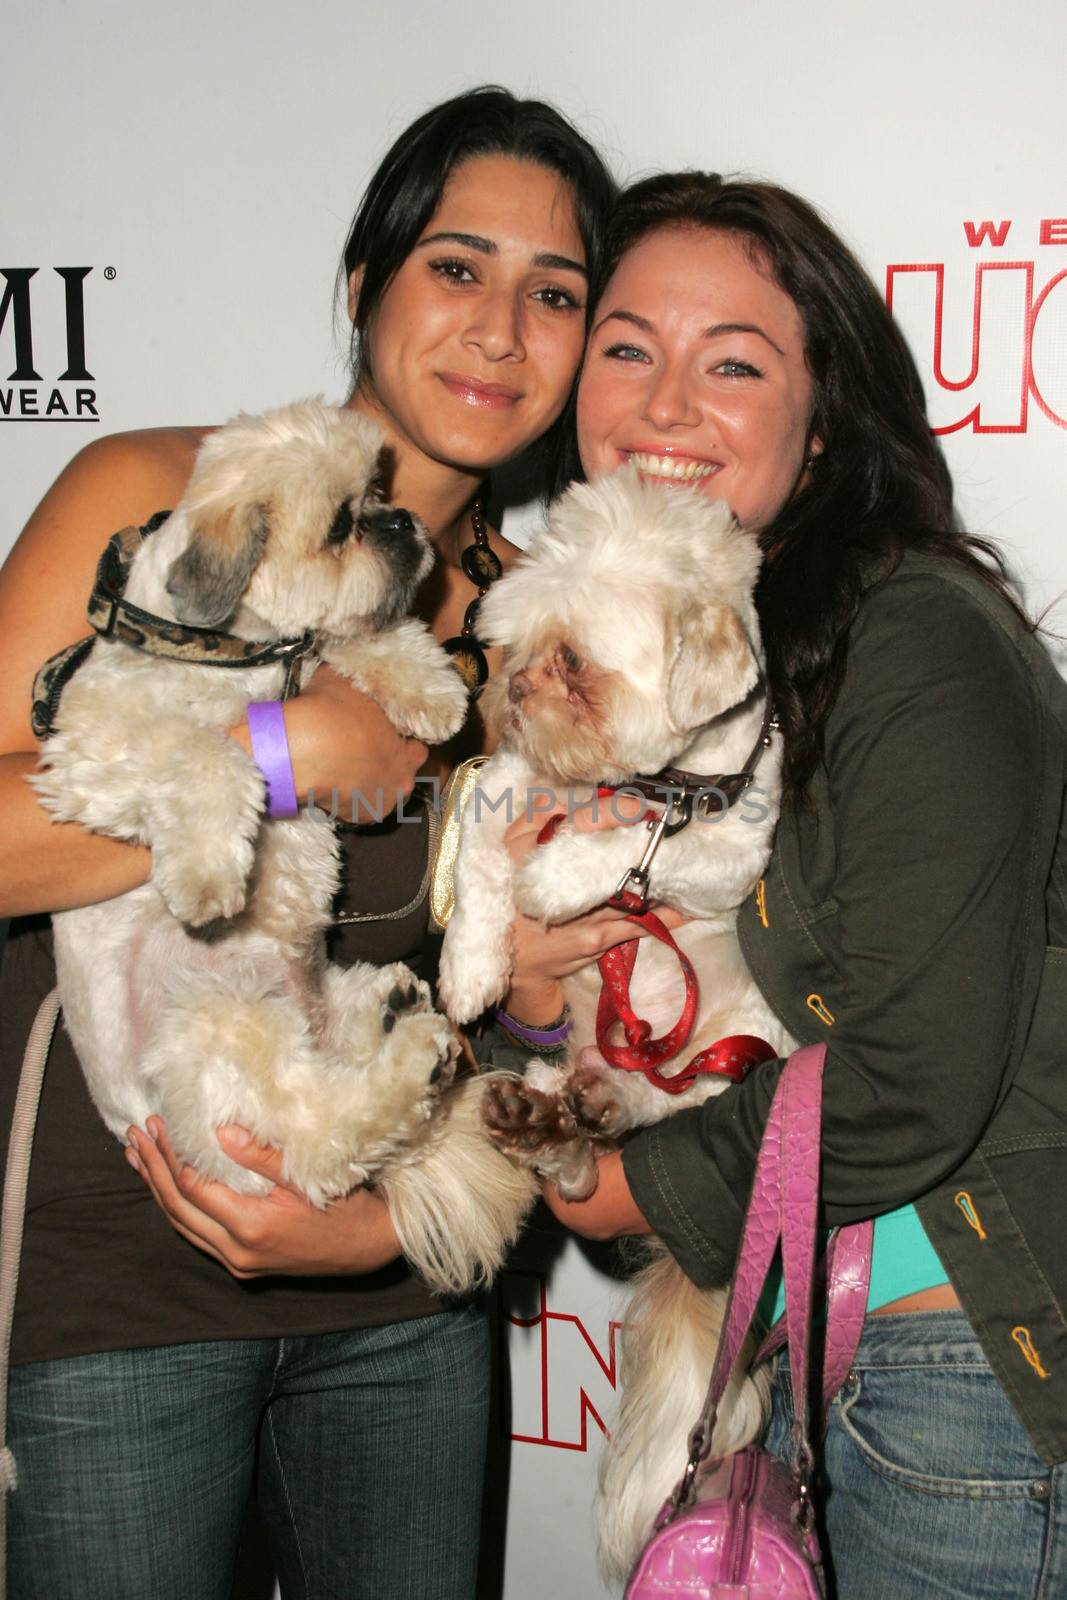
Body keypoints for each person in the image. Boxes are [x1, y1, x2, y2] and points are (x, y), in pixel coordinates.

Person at [0, 87, 619, 1599]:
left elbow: (536, 991)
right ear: (365, 287)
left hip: (398, 1304)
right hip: (121, 1292)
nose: (500, 332)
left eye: (556, 296)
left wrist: (393, 1227)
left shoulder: (540, 628)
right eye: (457, 269)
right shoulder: (161, 499)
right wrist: (272, 753)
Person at [493, 172, 1067, 1597]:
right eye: (627, 347)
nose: (666, 402)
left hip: (965, 1368)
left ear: (822, 426)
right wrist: (543, 1003)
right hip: (830, 1343)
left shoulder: (913, 638)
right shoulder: (659, 674)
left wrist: (630, 1187)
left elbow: (917, 1076)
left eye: (733, 363)